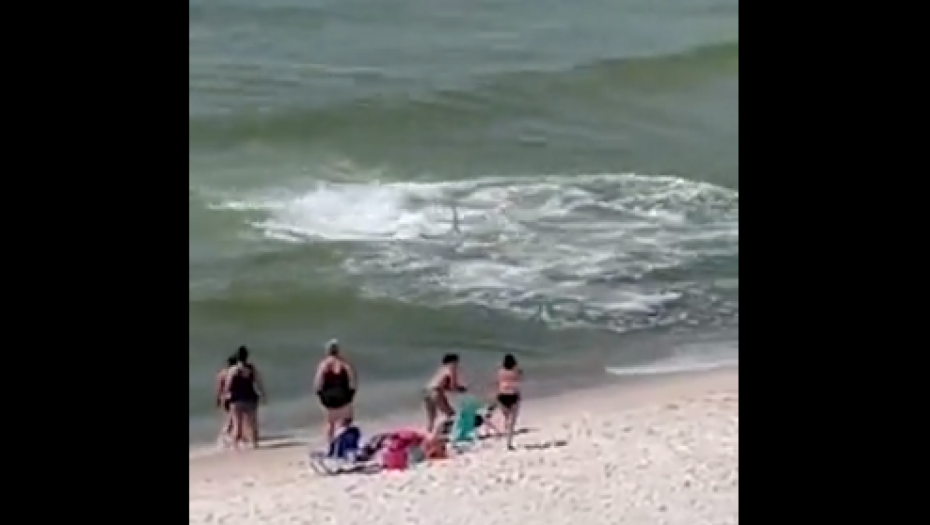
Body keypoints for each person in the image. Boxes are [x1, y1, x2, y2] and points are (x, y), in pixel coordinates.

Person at [314, 339, 357, 443]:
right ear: (338, 351)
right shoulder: (343, 363)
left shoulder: (324, 364)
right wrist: (351, 394)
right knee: (347, 421)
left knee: (330, 423)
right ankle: (344, 442)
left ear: (327, 351)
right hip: (343, 395)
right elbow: (352, 379)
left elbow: (317, 382)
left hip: (329, 397)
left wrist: (320, 396)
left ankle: (331, 444)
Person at [226, 346, 265, 449]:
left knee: (237, 425)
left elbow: (228, 386)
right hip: (250, 398)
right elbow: (259, 383)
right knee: (253, 423)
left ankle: (235, 446)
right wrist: (263, 395)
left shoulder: (233, 370)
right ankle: (255, 445)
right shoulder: (251, 369)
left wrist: (225, 397)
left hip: (236, 400)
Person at [423, 353, 467, 433]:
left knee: (431, 418)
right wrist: (461, 389)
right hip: (436, 392)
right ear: (453, 361)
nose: (458, 365)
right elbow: (453, 386)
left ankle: (428, 434)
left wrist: (455, 388)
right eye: (457, 362)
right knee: (451, 414)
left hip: (426, 391)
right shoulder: (451, 368)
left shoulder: (441, 369)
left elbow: (442, 384)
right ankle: (451, 432)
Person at [495, 353, 523, 450]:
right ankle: (508, 443)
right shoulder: (516, 371)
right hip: (513, 395)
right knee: (512, 421)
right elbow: (519, 380)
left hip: (502, 396)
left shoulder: (500, 371)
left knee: (507, 419)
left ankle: (505, 434)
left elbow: (498, 383)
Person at [214, 355, 238, 446]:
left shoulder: (222, 373)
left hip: (224, 398)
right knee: (231, 419)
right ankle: (224, 436)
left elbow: (219, 388)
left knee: (231, 418)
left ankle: (228, 436)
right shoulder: (233, 372)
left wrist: (218, 399)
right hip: (232, 398)